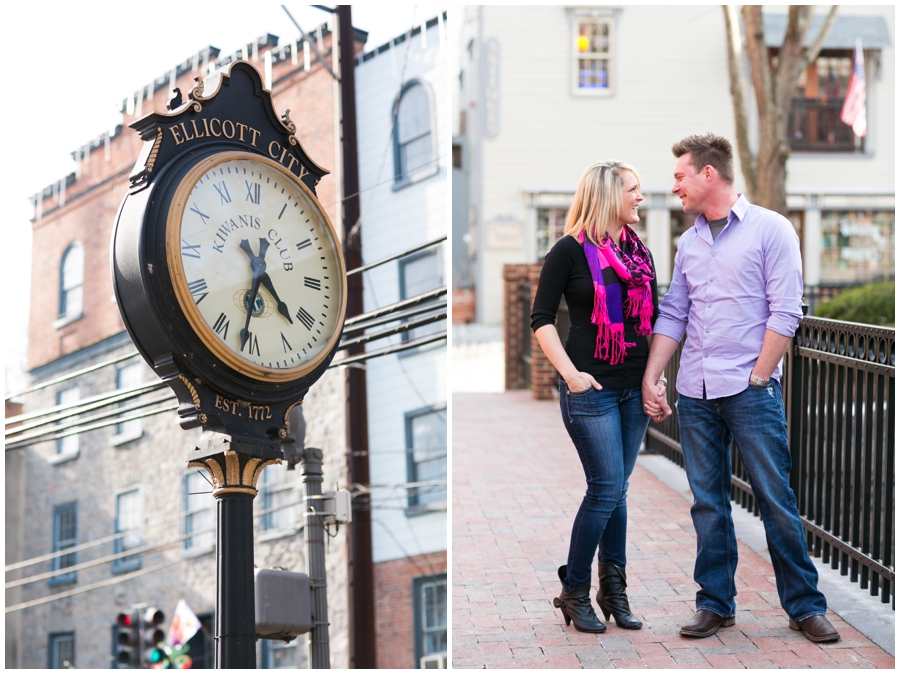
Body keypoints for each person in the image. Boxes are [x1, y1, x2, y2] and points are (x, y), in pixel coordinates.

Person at [642, 133, 839, 643]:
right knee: (707, 503)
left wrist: (757, 377)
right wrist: (653, 374)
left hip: (750, 390)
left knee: (775, 499)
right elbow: (674, 313)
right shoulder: (688, 241)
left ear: (710, 174)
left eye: (681, 176)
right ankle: (715, 604)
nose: (675, 186)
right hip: (697, 392)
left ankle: (804, 606)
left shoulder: (772, 230)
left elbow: (786, 310)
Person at [531, 161, 665, 633]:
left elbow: (650, 323)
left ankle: (615, 591)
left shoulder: (639, 254)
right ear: (610, 195)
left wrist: (654, 378)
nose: (640, 198)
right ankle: (574, 591)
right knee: (606, 487)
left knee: (618, 492)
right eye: (634, 190)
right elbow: (542, 319)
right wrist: (571, 375)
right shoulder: (568, 252)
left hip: (633, 388)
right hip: (592, 391)